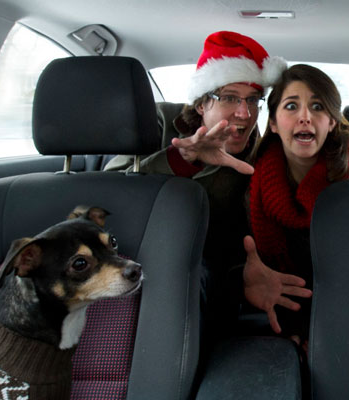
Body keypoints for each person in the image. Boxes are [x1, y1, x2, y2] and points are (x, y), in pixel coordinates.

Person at [105, 31, 286, 340]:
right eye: (230, 98)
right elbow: (110, 194)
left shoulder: (268, 152)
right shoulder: (158, 123)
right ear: (202, 103)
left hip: (215, 279)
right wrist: (184, 158)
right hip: (140, 257)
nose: (245, 113)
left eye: (254, 100)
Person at [242, 64, 349, 348]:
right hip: (286, 322)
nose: (305, 117)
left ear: (332, 121)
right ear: (274, 123)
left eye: (317, 106)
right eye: (291, 106)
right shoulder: (252, 183)